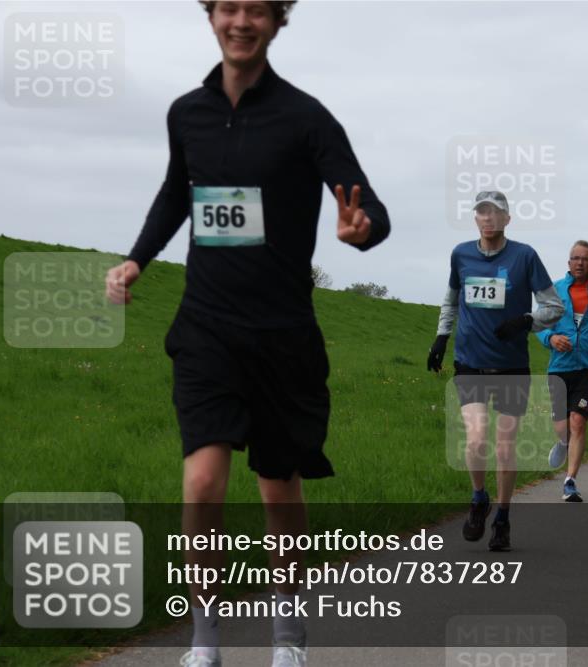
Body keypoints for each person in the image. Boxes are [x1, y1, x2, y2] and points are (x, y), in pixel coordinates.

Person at [105, 2, 390, 665]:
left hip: (282, 334)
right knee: (202, 481)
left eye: (256, 9)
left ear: (278, 20)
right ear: (210, 15)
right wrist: (136, 259)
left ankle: (287, 633)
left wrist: (362, 229)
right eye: (228, 6)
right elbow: (176, 193)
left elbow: (368, 205)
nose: (240, 21)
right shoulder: (187, 113)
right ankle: (204, 640)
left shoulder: (306, 118)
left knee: (277, 486)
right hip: (205, 325)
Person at [427, 191, 562, 551]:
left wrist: (526, 321)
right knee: (475, 440)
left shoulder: (525, 256)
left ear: (507, 219)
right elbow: (451, 300)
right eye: (482, 212)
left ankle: (502, 517)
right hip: (469, 362)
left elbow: (554, 307)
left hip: (511, 366)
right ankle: (478, 498)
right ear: (475, 218)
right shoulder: (461, 254)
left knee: (504, 449)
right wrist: (441, 337)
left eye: (495, 213)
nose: (488, 218)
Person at [537, 241, 588, 502]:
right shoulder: (554, 290)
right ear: (568, 262)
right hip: (560, 367)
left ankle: (570, 480)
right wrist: (551, 338)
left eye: (585, 259)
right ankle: (563, 442)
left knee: (578, 421)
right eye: (575, 258)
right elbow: (539, 324)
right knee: (562, 426)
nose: (580, 262)